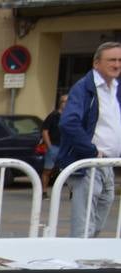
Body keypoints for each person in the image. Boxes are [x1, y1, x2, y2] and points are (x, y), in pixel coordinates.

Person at [58, 41, 121, 237]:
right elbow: (68, 122)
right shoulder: (84, 88)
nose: (117, 64)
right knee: (83, 226)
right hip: (88, 163)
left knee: (98, 220)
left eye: (120, 60)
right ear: (96, 64)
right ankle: (77, 262)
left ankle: (85, 258)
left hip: (108, 164)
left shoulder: (116, 88)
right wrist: (91, 151)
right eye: (111, 60)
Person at [41, 93, 68, 187]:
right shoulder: (53, 116)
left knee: (68, 171)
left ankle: (71, 192)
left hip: (65, 148)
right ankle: (43, 192)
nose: (67, 103)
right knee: (48, 170)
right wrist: (50, 146)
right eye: (65, 101)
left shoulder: (70, 116)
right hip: (54, 146)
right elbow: (45, 131)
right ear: (60, 103)